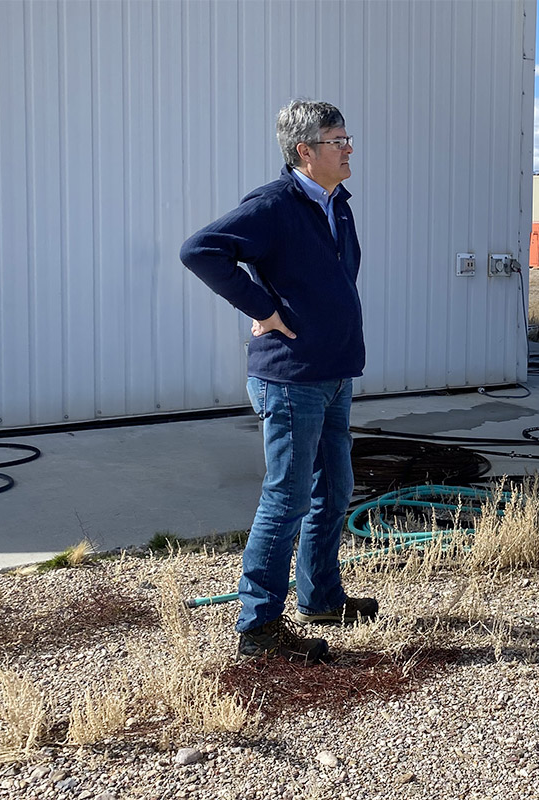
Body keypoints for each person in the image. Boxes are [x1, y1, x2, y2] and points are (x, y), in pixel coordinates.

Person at [180, 99, 377, 664]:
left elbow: (337, 278)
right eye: (337, 140)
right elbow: (201, 250)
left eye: (347, 138)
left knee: (333, 491)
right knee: (286, 497)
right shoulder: (273, 205)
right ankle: (259, 627)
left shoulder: (336, 204)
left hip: (334, 372)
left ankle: (320, 598)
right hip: (291, 380)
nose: (348, 149)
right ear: (304, 151)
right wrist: (262, 307)